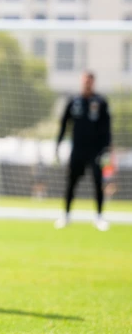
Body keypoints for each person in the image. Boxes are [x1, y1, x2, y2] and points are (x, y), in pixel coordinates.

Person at [55, 71, 111, 231]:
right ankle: (66, 215)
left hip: (95, 150)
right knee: (71, 182)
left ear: (93, 82)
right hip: (78, 149)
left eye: (90, 81)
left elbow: (106, 127)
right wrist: (58, 144)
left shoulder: (100, 102)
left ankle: (99, 217)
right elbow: (64, 123)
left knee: (98, 182)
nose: (87, 84)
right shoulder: (74, 101)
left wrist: (106, 148)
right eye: (85, 81)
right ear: (81, 82)